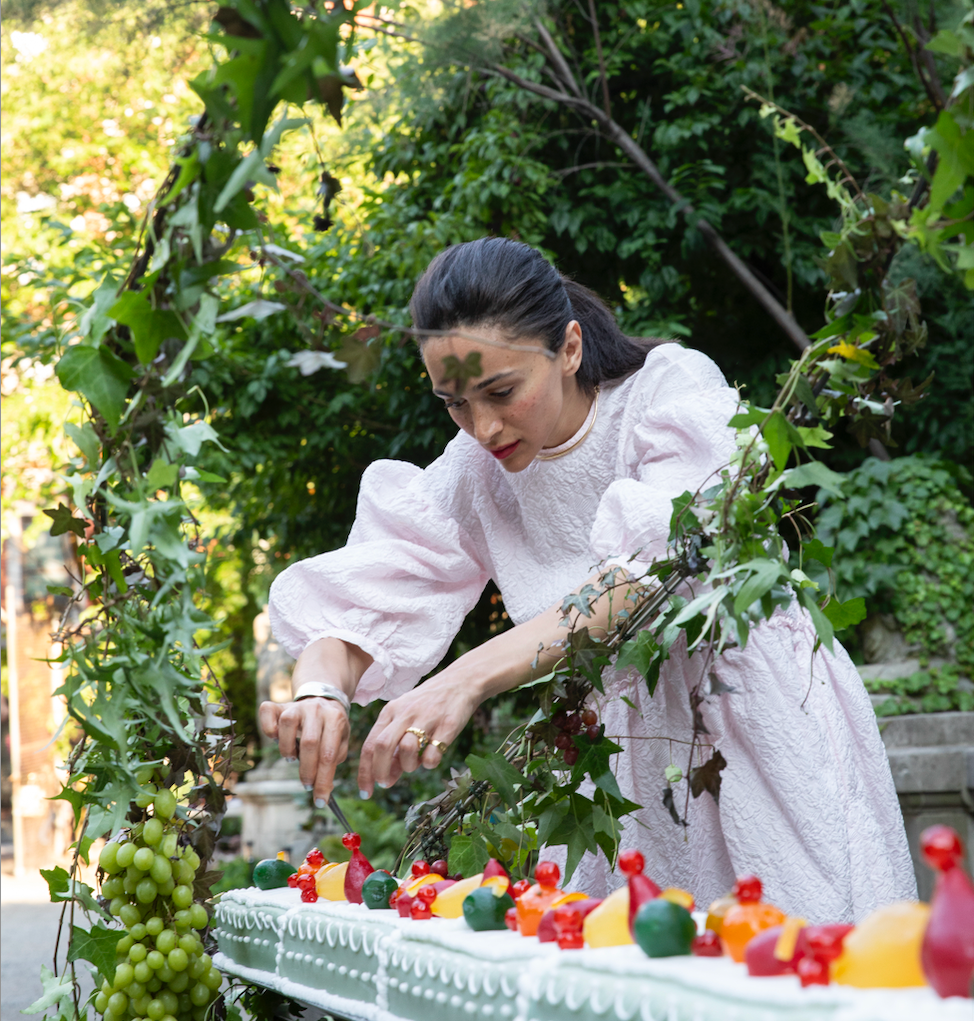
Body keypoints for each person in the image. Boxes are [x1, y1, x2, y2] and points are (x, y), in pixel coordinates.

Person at [260, 238, 915, 921]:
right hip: (616, 768)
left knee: (799, 954)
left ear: (568, 347)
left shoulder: (667, 389)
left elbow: (651, 571)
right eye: (453, 402)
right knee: (626, 984)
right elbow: (367, 598)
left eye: (501, 391)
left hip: (749, 716)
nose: (482, 426)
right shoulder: (474, 473)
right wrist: (319, 690)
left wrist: (464, 678)